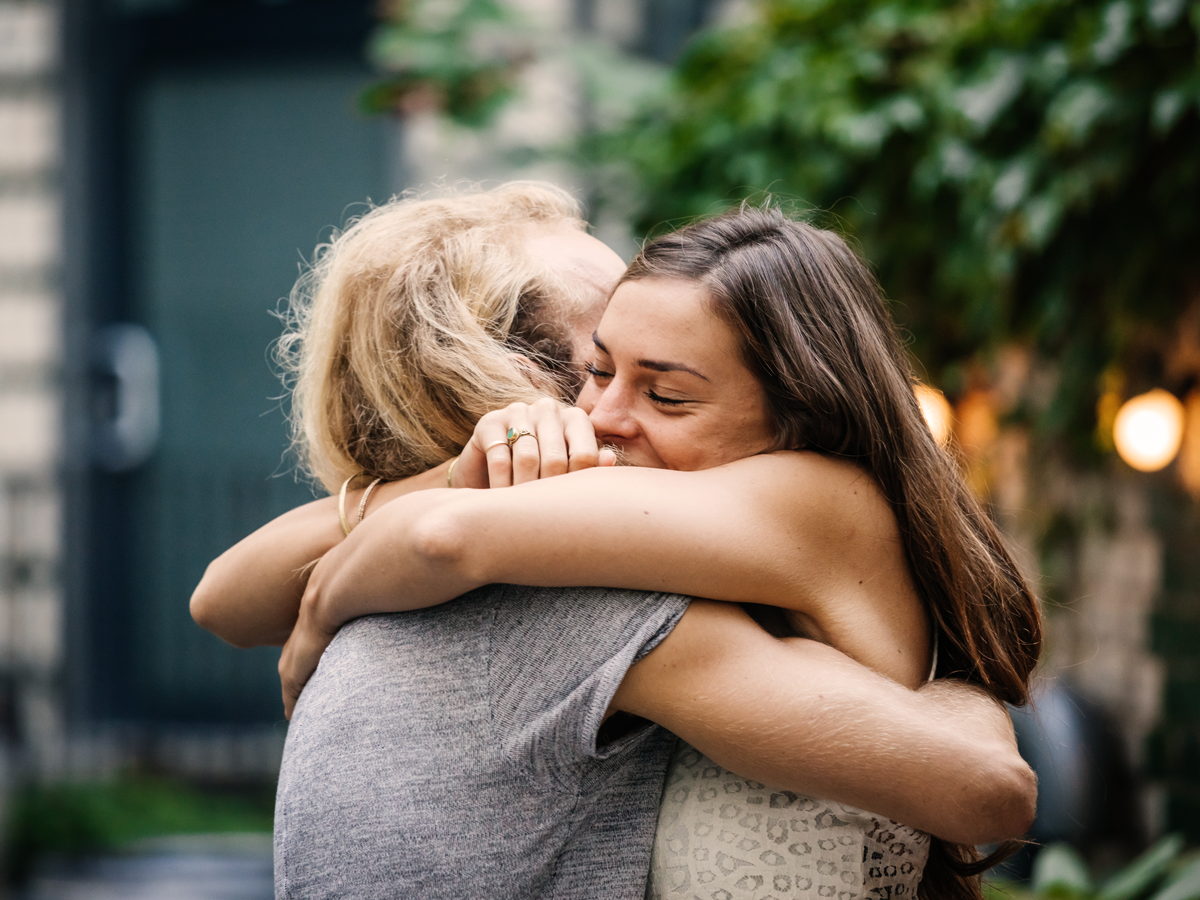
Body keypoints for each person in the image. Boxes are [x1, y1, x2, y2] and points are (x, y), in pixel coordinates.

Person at [192, 185, 1036, 899]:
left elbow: (436, 538)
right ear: (506, 381)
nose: (602, 416)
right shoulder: (582, 588)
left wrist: (325, 603)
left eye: (664, 388)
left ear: (797, 406)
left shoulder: (777, 511)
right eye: (596, 364)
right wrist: (464, 473)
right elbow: (229, 593)